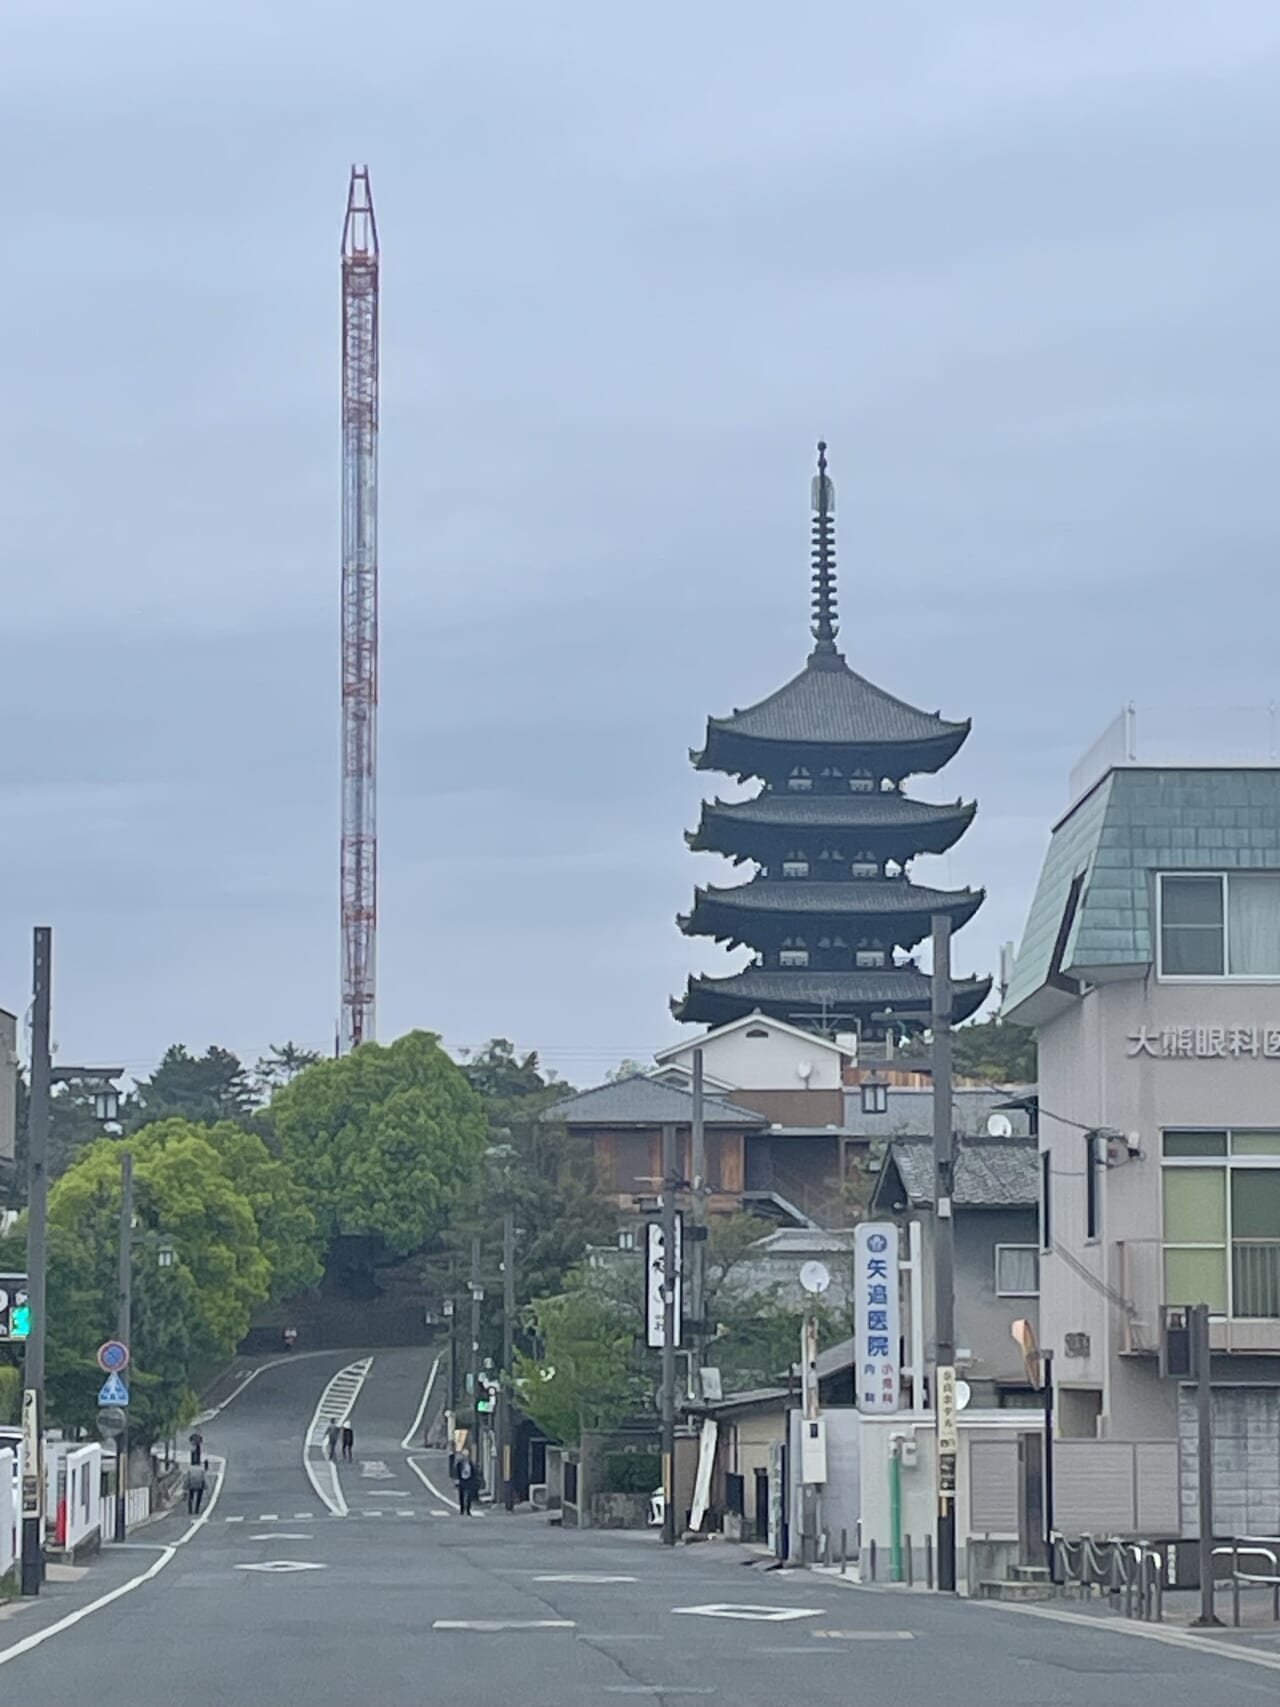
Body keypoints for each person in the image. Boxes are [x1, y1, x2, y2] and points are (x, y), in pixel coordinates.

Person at [453, 1449, 477, 1516]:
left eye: (466, 1456)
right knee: (461, 1495)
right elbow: (457, 1472)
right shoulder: (459, 1464)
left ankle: (468, 1510)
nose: (465, 1457)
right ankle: (462, 1509)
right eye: (464, 1456)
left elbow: (473, 1473)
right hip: (462, 1481)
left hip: (469, 1481)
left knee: (469, 1496)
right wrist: (457, 1480)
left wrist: (474, 1480)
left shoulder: (470, 1464)